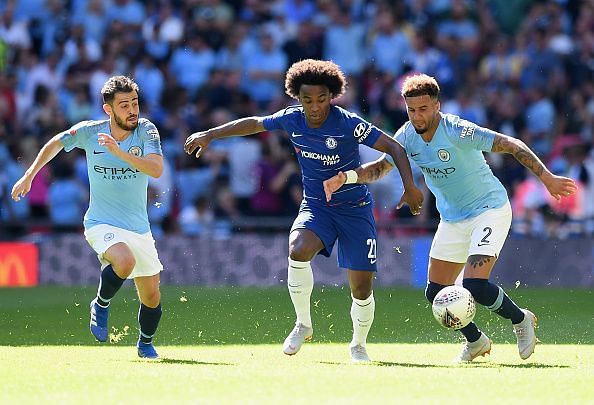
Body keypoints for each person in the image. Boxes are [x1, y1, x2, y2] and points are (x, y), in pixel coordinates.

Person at [322, 73, 577, 362]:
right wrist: (348, 177)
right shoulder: (406, 136)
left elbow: (511, 143)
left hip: (488, 209)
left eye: (423, 109)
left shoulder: (457, 130)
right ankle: (476, 341)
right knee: (435, 292)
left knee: (475, 285)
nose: (417, 116)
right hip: (453, 218)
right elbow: (381, 167)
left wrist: (547, 177)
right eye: (411, 110)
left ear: (437, 106)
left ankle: (521, 321)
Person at [184, 59, 424, 362]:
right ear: (297, 97)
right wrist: (210, 134)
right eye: (307, 100)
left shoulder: (348, 123)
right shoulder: (291, 118)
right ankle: (302, 324)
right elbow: (255, 123)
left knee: (361, 288)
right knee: (297, 249)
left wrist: (411, 187)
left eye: (322, 99)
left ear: (332, 96)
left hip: (354, 209)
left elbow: (395, 148)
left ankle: (358, 344)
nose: (314, 106)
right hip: (317, 206)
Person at [11, 76, 165, 359]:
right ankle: (101, 304)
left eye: (135, 103)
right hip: (100, 221)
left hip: (139, 227)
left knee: (151, 295)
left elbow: (156, 169)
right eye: (124, 105)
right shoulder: (90, 131)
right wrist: (29, 175)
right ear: (109, 110)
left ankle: (145, 344)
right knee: (125, 261)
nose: (132, 110)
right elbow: (56, 142)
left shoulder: (146, 130)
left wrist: (119, 153)